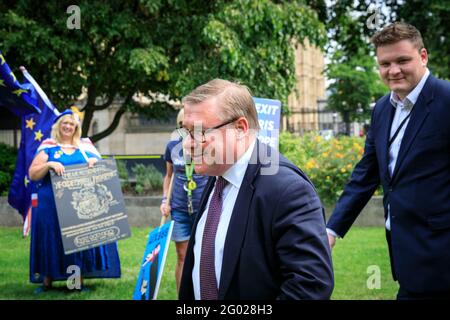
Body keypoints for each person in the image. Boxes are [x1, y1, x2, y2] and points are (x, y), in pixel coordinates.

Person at [178, 79, 333, 300]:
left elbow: (310, 286)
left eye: (200, 132)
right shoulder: (217, 173)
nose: (187, 144)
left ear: (240, 128)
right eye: (186, 131)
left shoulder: (288, 190)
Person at [326, 22, 450, 299]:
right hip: (406, 256)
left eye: (402, 60)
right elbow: (366, 174)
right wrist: (331, 229)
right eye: (385, 63)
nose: (393, 70)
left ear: (423, 56)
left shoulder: (446, 99)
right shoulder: (382, 109)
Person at [28, 108, 121, 293]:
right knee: (51, 239)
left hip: (80, 205)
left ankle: (75, 283)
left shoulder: (86, 148)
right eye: (65, 123)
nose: (68, 127)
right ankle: (47, 281)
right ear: (58, 126)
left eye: (71, 124)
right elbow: (33, 174)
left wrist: (95, 163)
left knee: (77, 241)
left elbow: (103, 173)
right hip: (51, 204)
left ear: (76, 127)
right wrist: (48, 164)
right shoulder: (48, 147)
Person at [160, 108, 209, 293]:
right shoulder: (172, 146)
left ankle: (203, 295)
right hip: (179, 209)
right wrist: (165, 199)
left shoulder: (205, 146)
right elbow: (168, 176)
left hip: (202, 208)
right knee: (182, 256)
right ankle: (183, 298)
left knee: (204, 255)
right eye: (182, 126)